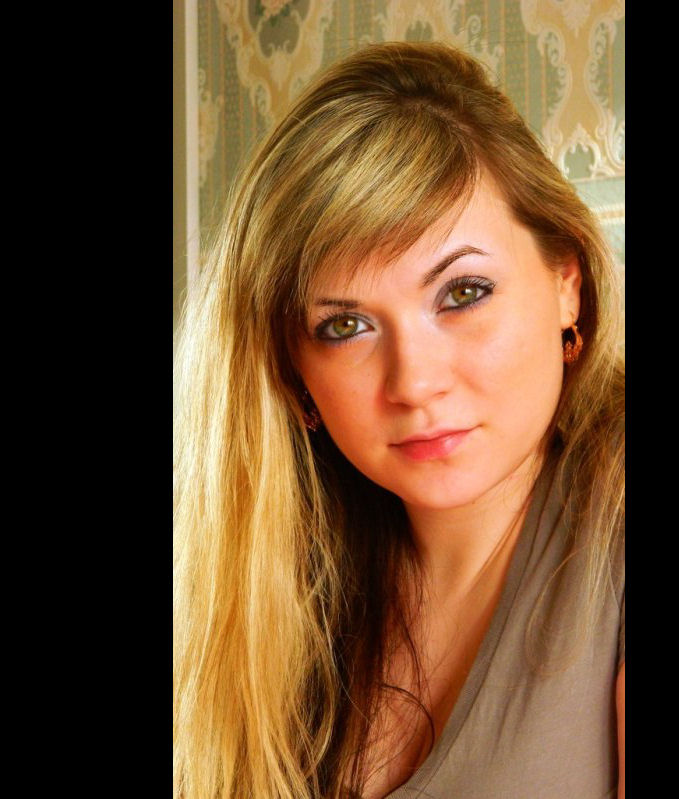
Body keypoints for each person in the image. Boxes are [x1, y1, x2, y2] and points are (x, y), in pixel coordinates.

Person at [173, 41, 625, 799]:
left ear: (566, 283)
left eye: (463, 292)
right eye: (345, 327)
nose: (414, 382)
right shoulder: (271, 583)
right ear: (293, 372)